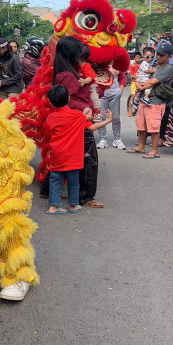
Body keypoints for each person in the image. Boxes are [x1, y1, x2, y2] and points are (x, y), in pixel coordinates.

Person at [44, 85, 113, 215]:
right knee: (74, 181)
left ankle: (53, 207)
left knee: (55, 180)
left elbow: (47, 136)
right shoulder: (77, 116)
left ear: (51, 102)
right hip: (73, 157)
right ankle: (73, 205)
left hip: (57, 156)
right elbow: (92, 127)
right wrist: (108, 120)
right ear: (69, 98)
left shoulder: (50, 118)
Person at [51, 36, 102, 207]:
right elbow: (70, 101)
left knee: (79, 160)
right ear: (71, 52)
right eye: (78, 49)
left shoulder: (66, 72)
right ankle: (86, 197)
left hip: (77, 121)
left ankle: (76, 195)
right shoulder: (68, 76)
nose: (81, 52)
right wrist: (84, 112)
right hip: (80, 122)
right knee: (89, 160)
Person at [128, 42, 173, 159]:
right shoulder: (154, 66)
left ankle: (154, 151)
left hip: (156, 101)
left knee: (154, 127)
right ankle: (141, 146)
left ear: (169, 56)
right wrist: (139, 84)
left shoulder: (168, 68)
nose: (158, 57)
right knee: (141, 124)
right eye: (158, 54)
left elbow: (153, 82)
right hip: (145, 99)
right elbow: (141, 76)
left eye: (162, 55)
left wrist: (140, 86)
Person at [96, 63, 126, 150]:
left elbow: (122, 77)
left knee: (116, 117)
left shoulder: (117, 65)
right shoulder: (97, 64)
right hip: (100, 95)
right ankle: (102, 139)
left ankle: (117, 139)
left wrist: (120, 91)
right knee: (99, 118)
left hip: (114, 94)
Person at [78, 44, 100, 120]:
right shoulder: (77, 65)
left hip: (91, 88)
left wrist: (84, 81)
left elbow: (90, 78)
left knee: (96, 103)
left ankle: (97, 118)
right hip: (84, 89)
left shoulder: (86, 65)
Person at [127, 53, 142, 117]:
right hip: (134, 83)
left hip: (141, 83)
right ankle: (130, 111)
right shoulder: (132, 66)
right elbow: (131, 75)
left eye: (139, 58)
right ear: (134, 58)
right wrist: (137, 77)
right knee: (133, 95)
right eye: (137, 58)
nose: (138, 59)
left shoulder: (142, 65)